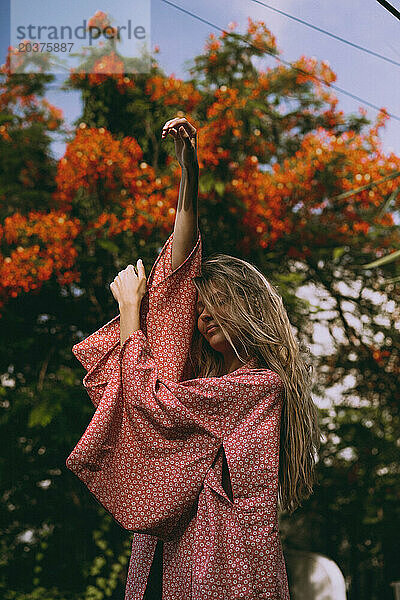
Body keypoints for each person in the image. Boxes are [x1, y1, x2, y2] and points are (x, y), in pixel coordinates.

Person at [66, 116, 321, 600]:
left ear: (248, 306)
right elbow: (174, 283)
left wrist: (129, 311)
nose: (202, 317)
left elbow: (151, 404)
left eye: (218, 304)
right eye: (199, 311)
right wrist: (189, 176)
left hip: (226, 561)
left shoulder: (258, 386)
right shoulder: (193, 376)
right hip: (168, 553)